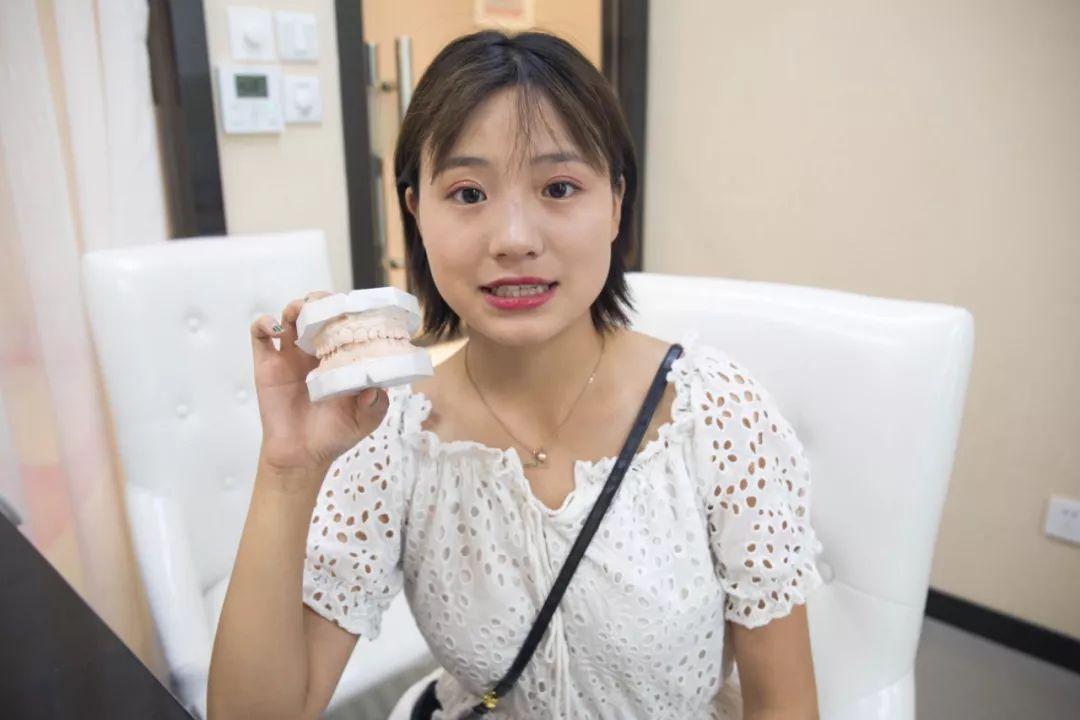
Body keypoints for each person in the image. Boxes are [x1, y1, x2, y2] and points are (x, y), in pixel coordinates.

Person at [208, 29, 825, 720]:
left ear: (615, 202)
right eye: (468, 193)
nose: (513, 239)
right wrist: (288, 470)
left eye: (559, 187)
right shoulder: (390, 432)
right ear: (416, 213)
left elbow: (785, 706)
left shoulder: (714, 415)